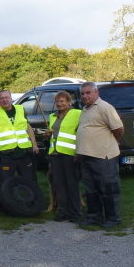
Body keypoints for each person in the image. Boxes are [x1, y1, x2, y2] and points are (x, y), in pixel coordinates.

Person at [76, 81, 124, 228]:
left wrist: (109, 143)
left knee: (108, 188)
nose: (85, 96)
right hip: (87, 156)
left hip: (104, 156)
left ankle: (113, 219)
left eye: (88, 92)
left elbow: (118, 129)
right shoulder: (85, 109)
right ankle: (94, 217)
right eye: (82, 93)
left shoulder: (105, 107)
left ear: (96, 92)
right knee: (91, 189)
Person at [0, 90, 39, 185]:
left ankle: (30, 199)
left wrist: (34, 144)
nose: (4, 100)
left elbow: (28, 127)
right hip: (7, 155)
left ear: (11, 99)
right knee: (5, 182)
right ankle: (6, 199)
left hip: (24, 153)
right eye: (2, 98)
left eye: (6, 97)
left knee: (28, 181)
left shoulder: (20, 109)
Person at [47, 90, 82, 222]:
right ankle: (63, 211)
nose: (59, 104)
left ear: (69, 102)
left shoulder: (77, 114)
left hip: (70, 154)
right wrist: (48, 134)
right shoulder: (52, 116)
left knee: (71, 184)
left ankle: (75, 212)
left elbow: (81, 133)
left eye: (62, 101)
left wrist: (78, 153)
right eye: (57, 101)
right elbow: (54, 134)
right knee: (58, 184)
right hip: (55, 154)